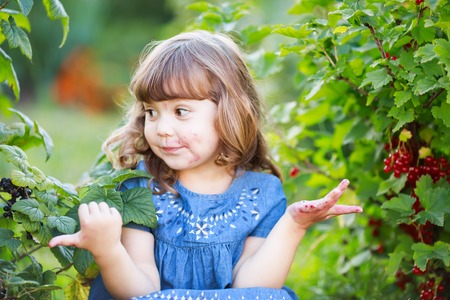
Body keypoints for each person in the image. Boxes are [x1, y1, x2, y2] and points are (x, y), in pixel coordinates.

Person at [48, 30, 363, 300]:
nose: (162, 128)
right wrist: (107, 250)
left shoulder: (262, 192)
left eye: (181, 111)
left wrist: (294, 225)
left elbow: (251, 288)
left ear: (229, 112)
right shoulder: (141, 186)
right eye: (151, 112)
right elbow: (139, 291)